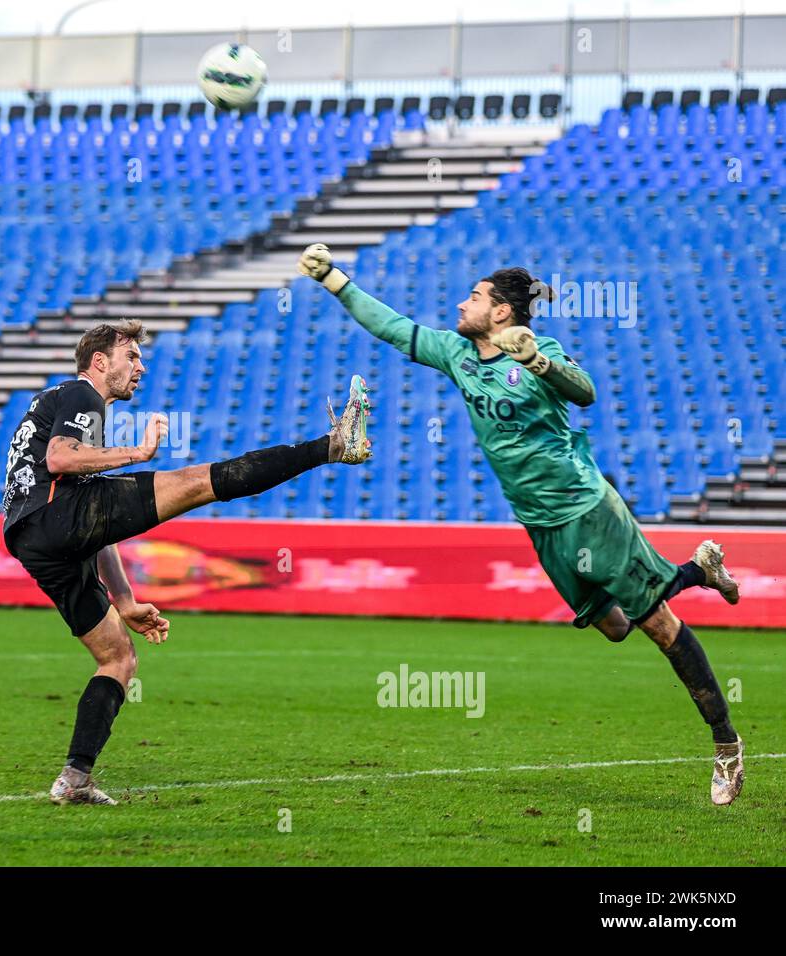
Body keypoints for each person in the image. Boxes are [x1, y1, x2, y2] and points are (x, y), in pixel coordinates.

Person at [298, 242, 744, 805]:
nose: (462, 305)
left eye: (474, 297)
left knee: (656, 623)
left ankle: (726, 745)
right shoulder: (457, 355)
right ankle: (699, 570)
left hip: (587, 507)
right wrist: (333, 278)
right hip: (539, 522)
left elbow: (585, 393)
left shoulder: (538, 349)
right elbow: (392, 326)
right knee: (615, 627)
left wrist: (537, 361)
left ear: (502, 311)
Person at [2, 320, 372, 805]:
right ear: (99, 361)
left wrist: (126, 599)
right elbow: (61, 459)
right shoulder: (81, 393)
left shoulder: (64, 402)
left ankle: (75, 779)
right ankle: (331, 445)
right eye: (130, 356)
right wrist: (139, 452)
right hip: (53, 516)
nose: (141, 365)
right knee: (198, 482)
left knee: (118, 658)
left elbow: (94, 520)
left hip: (32, 536)